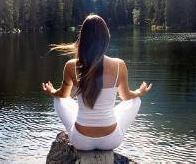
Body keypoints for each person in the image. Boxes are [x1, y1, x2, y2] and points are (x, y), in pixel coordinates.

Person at [42, 14, 152, 151]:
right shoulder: (119, 65)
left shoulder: (71, 66)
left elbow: (63, 95)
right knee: (136, 100)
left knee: (58, 100)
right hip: (111, 140)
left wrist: (51, 91)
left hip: (81, 141)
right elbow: (126, 97)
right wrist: (139, 92)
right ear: (106, 37)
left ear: (82, 39)